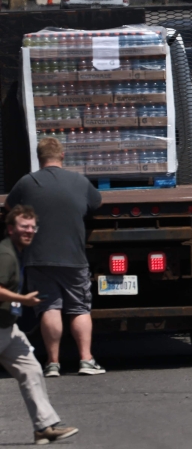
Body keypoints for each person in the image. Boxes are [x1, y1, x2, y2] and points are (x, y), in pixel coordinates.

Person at [4, 138, 104, 378]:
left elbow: (9, 206)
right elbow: (96, 203)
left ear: (39, 159)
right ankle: (86, 360)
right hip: (73, 256)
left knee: (49, 307)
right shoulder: (79, 181)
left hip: (38, 258)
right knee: (79, 308)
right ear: (62, 156)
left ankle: (52, 363)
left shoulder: (27, 182)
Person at [0, 206, 79, 444]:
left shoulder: (17, 251)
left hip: (8, 328)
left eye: (33, 227)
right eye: (24, 226)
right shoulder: (5, 255)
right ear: (11, 229)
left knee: (31, 370)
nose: (29, 231)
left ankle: (44, 427)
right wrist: (22, 299)